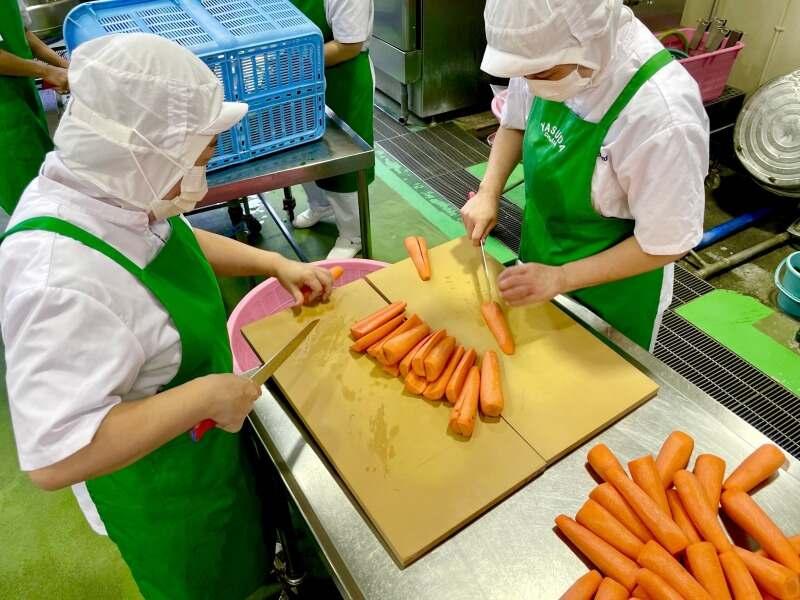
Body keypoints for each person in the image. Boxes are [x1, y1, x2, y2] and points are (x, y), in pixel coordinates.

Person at [0, 33, 334, 599]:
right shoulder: (56, 280)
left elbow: (169, 240)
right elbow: (54, 456)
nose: (203, 175)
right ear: (141, 152)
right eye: (197, 160)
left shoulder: (112, 190)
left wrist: (274, 262)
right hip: (165, 499)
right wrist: (204, 398)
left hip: (205, 455)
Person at [462, 0, 709, 350]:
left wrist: (562, 277)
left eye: (543, 75)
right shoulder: (543, 53)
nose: (530, 85)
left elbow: (667, 242)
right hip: (541, 264)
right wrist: (489, 192)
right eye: (525, 74)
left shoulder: (662, 116)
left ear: (588, 40)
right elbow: (515, 123)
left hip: (615, 294)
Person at [290, 0, 374, 259]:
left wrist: (293, 59)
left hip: (342, 77)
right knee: (302, 149)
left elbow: (349, 46)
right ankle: (320, 204)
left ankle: (353, 234)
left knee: (342, 162)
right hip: (296, 74)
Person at [0, 0, 69, 215]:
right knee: (22, 184)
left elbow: (22, 33)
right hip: (4, 110)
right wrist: (46, 71)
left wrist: (64, 65)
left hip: (20, 88)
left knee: (40, 164)